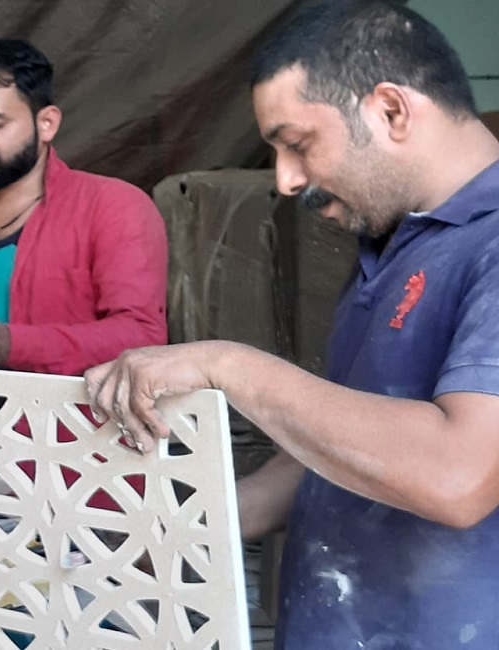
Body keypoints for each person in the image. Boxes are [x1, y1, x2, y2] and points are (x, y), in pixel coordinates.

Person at [86, 1, 499, 648]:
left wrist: (228, 365)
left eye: (298, 144)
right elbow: (336, 447)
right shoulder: (392, 245)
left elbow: (460, 476)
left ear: (392, 111)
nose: (285, 180)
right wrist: (190, 526)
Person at [0, 39, 168, 376]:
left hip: (64, 413)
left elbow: (142, 336)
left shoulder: (114, 208)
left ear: (47, 123)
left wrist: (12, 345)